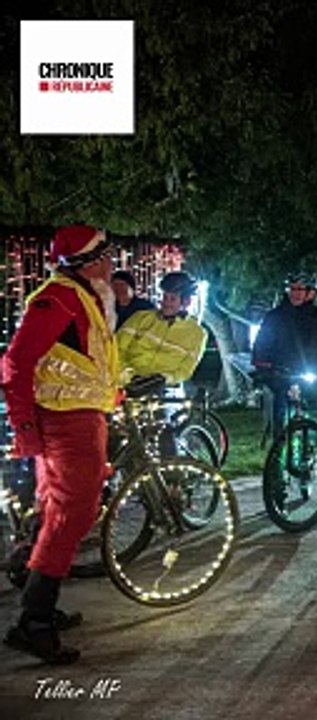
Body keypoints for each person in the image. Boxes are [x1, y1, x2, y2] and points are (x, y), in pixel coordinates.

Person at [2, 225, 121, 664]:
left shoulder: (86, 296)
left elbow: (83, 359)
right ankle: (33, 622)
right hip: (66, 422)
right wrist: (25, 429)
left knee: (61, 511)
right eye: (106, 255)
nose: (112, 263)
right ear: (89, 262)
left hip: (81, 416)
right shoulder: (60, 297)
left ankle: (39, 600)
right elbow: (16, 361)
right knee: (74, 513)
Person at [251, 272, 317, 432]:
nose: (295, 294)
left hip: (310, 376)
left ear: (311, 293)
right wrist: (264, 369)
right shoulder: (275, 317)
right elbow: (262, 345)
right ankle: (280, 451)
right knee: (281, 417)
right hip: (281, 376)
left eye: (300, 289)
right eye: (292, 289)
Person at [116, 272, 208, 385]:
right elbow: (116, 350)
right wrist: (128, 376)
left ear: (186, 302)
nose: (166, 303)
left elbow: (185, 370)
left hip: (161, 392)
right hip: (123, 384)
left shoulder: (197, 334)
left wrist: (163, 379)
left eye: (172, 299)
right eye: (165, 297)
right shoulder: (140, 318)